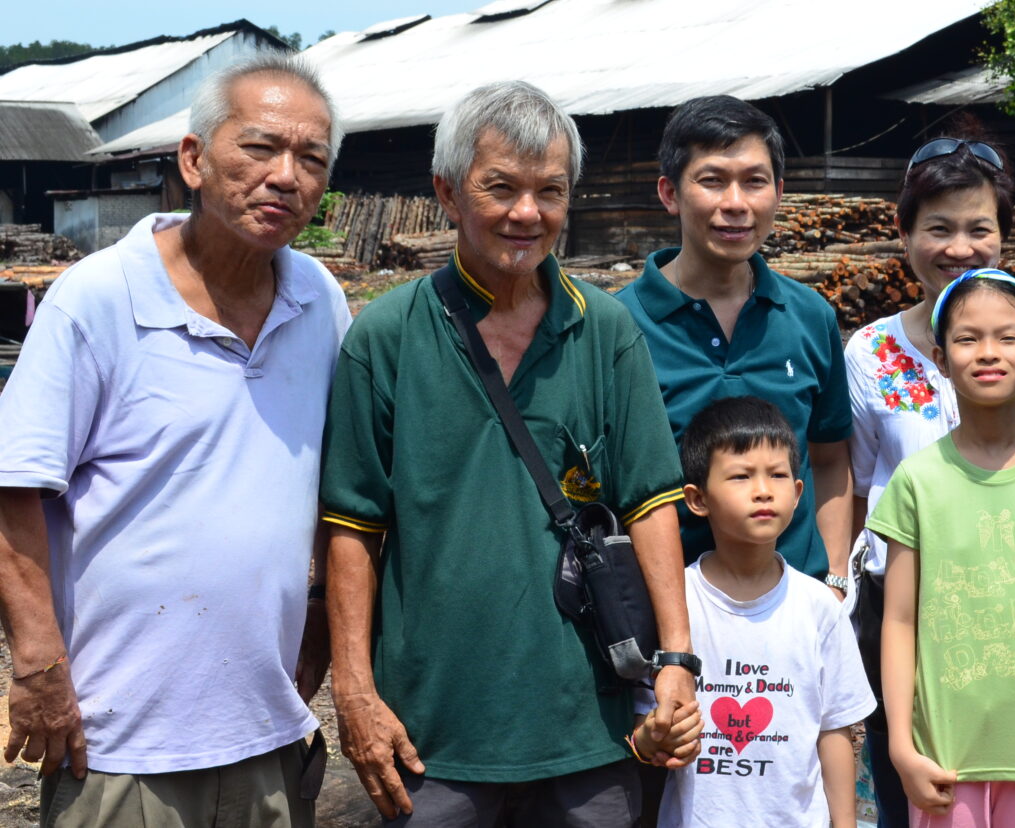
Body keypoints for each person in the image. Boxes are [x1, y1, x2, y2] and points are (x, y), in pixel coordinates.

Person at [319, 81, 698, 827]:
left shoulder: (605, 331)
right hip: (432, 733)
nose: (528, 213)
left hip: (586, 726)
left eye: (550, 191)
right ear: (447, 192)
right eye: (501, 188)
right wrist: (356, 695)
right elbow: (352, 528)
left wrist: (678, 659)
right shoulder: (386, 338)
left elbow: (651, 500)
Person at [0, 53, 348, 827]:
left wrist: (321, 610)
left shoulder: (319, 301)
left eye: (312, 159)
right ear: (193, 159)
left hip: (265, 732)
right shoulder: (99, 299)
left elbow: (336, 485)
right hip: (118, 746)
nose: (286, 176)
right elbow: (13, 487)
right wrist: (38, 667)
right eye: (260, 147)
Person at [843, 131, 1015, 828]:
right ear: (904, 233)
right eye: (939, 228)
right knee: (912, 794)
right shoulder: (869, 350)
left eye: (979, 228)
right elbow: (858, 483)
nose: (960, 247)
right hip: (903, 599)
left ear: (1004, 236)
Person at [869, 268, 1015, 828]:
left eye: (1008, 337)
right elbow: (898, 620)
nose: (988, 352)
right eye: (968, 338)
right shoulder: (917, 480)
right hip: (943, 760)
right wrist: (901, 747)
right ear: (940, 359)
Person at [617, 96, 852, 587]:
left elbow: (829, 457)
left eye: (754, 181)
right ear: (670, 193)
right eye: (712, 180)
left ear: (779, 193)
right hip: (670, 609)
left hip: (795, 604)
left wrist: (831, 577)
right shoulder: (618, 326)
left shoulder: (810, 317)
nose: (736, 203)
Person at [631, 396, 875, 828]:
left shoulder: (819, 606)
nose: (763, 490)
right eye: (741, 476)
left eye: (777, 475)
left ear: (797, 494)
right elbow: (643, 725)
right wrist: (653, 738)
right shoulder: (674, 603)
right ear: (697, 499)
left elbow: (834, 729)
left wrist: (845, 823)